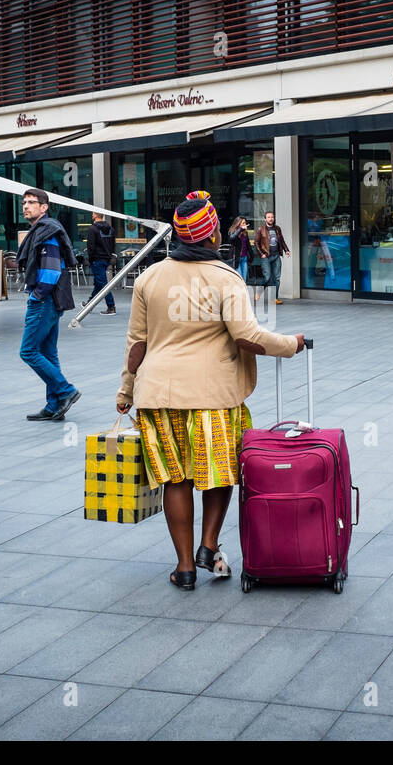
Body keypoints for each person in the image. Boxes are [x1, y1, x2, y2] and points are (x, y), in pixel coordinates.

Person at [116, 191, 304, 591]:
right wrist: (292, 344)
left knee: (176, 480)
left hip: (158, 396)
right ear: (212, 233)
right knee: (219, 472)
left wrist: (125, 391)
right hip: (212, 397)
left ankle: (184, 568)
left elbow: (136, 344)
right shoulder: (225, 278)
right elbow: (248, 337)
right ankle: (208, 544)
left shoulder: (149, 278)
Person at [18, 188, 80, 421]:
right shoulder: (42, 230)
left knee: (28, 351)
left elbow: (52, 271)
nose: (26, 206)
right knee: (48, 353)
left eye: (31, 202)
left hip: (44, 301)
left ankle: (66, 391)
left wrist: (37, 295)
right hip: (51, 300)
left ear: (44, 207)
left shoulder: (47, 232)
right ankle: (54, 406)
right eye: (24, 202)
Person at [84, 211, 117, 315]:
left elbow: (90, 246)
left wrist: (90, 259)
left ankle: (111, 306)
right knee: (99, 283)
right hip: (106, 259)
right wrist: (111, 255)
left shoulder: (92, 229)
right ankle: (89, 304)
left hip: (97, 259)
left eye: (93, 213)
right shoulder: (111, 229)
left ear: (95, 215)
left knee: (102, 283)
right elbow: (113, 244)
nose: (91, 214)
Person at [255, 210, 290, 305]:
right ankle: (259, 291)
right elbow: (256, 243)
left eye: (272, 217)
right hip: (266, 256)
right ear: (265, 219)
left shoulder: (277, 229)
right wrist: (261, 254)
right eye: (269, 217)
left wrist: (286, 250)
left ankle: (274, 298)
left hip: (276, 255)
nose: (271, 219)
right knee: (267, 277)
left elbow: (282, 241)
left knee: (277, 278)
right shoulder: (261, 229)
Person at [227, 217, 253, 297]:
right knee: (239, 278)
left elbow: (248, 245)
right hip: (236, 259)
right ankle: (238, 296)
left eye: (245, 223)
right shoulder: (232, 231)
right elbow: (232, 238)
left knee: (244, 279)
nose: (245, 224)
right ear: (238, 224)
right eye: (243, 223)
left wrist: (251, 256)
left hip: (244, 258)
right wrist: (240, 230)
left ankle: (242, 296)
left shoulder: (245, 233)